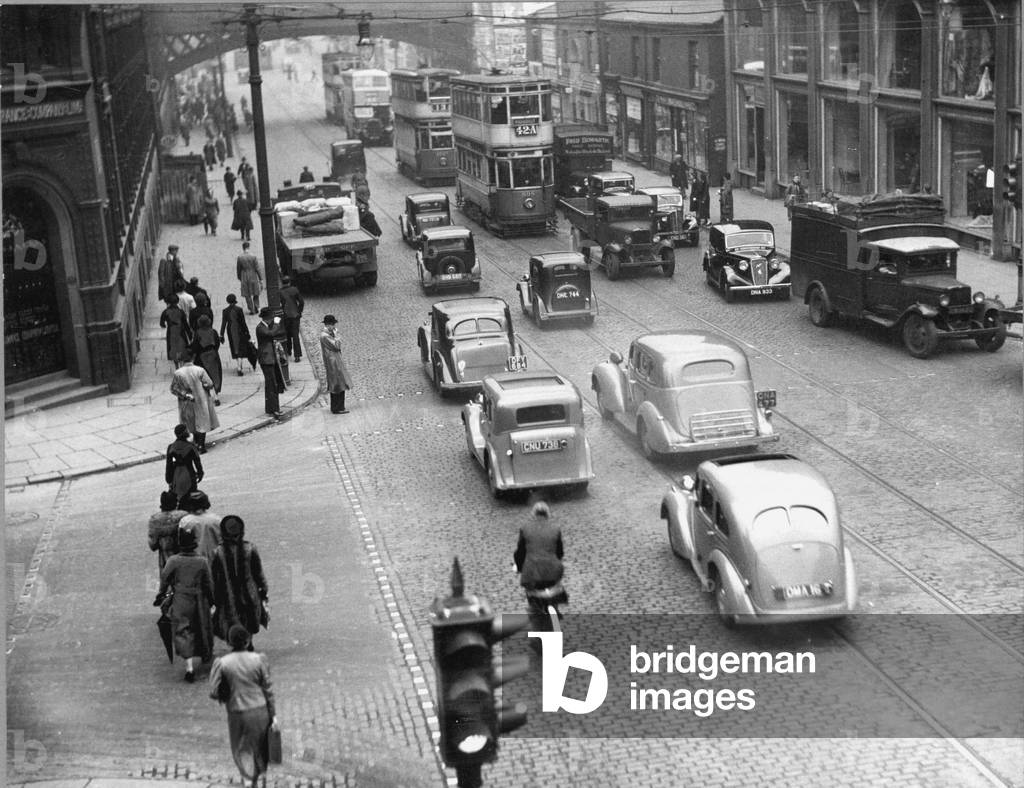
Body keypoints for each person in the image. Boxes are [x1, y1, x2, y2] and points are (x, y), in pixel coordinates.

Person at [209, 624, 276, 788]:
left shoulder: (222, 663)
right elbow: (268, 689)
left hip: (237, 711)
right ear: (247, 641)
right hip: (260, 710)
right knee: (259, 746)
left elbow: (213, 691)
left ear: (229, 642)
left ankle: (247, 780)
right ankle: (255, 780)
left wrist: (225, 694)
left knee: (241, 747)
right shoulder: (259, 660)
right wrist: (273, 714)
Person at [156, 522, 214, 682]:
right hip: (199, 598)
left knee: (183, 631)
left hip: (181, 599)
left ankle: (189, 668)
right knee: (202, 628)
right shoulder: (202, 561)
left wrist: (161, 594)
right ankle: (204, 655)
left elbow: (165, 579)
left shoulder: (174, 561)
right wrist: (211, 599)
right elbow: (208, 583)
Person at [210, 515, 268, 649]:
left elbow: (214, 577)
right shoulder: (250, 548)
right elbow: (258, 573)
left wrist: (213, 598)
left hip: (228, 595)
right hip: (249, 592)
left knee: (233, 618)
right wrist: (263, 590)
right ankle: (249, 642)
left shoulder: (218, 552)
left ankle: (238, 643)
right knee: (249, 617)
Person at [513, 501, 565, 631]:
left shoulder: (525, 528)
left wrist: (519, 567)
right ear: (548, 514)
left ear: (533, 514)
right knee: (556, 592)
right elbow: (560, 552)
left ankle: (536, 622)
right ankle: (555, 612)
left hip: (532, 574)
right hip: (553, 572)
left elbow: (520, 553)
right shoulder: (556, 528)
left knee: (532, 601)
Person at [171, 351, 220, 453]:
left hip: (186, 402)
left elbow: (173, 389)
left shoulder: (178, 373)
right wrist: (205, 387)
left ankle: (195, 442)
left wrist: (184, 394)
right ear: (193, 358)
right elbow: (209, 383)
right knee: (202, 422)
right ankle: (201, 445)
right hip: (201, 400)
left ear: (182, 361)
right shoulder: (200, 370)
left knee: (190, 422)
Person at [179, 490, 221, 570]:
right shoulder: (217, 519)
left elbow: (182, 544)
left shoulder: (186, 521)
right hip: (216, 560)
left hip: (195, 563)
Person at [256, 307, 286, 418]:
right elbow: (271, 334)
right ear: (268, 318)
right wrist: (277, 324)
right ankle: (274, 409)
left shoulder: (264, 326)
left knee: (272, 384)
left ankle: (272, 408)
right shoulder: (261, 328)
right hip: (266, 359)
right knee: (272, 385)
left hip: (270, 358)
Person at [320, 314, 352, 414]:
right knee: (338, 385)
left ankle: (337, 407)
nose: (334, 327)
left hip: (334, 361)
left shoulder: (327, 334)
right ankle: (338, 407)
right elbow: (337, 346)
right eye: (333, 325)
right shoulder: (325, 336)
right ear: (329, 325)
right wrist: (337, 336)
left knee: (337, 384)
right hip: (333, 363)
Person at [149, 490, 186, 572]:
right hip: (185, 560)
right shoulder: (184, 516)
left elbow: (153, 545)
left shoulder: (155, 520)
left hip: (166, 563)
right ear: (176, 503)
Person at [166, 424, 203, 505]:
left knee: (179, 499)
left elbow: (168, 465)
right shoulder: (191, 446)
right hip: (190, 475)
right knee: (192, 498)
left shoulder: (171, 447)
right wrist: (200, 473)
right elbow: (197, 462)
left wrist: (168, 479)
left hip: (176, 477)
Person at [191, 314, 223, 401]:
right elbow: (217, 344)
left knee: (205, 376)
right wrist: (214, 351)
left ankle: (211, 395)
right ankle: (216, 394)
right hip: (213, 354)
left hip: (202, 356)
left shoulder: (197, 333)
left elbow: (195, 346)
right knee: (215, 375)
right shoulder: (213, 331)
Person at [220, 294, 251, 376]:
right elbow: (243, 323)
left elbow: (223, 324)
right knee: (240, 347)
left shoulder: (225, 311)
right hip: (239, 330)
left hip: (230, 331)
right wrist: (247, 332)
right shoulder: (239, 309)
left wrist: (221, 335)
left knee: (234, 347)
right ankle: (239, 366)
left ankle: (238, 365)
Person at [160, 294, 191, 372]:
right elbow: (186, 324)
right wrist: (190, 334)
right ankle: (182, 364)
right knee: (182, 347)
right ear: (177, 302)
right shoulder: (181, 312)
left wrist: (165, 324)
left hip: (171, 332)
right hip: (181, 332)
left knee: (173, 348)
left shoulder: (165, 312)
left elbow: (162, 324)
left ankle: (177, 366)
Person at [278, 276, 304, 362]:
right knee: (295, 335)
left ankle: (288, 351)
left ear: (282, 282)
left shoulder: (280, 292)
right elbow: (301, 302)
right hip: (295, 315)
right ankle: (297, 356)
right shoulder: (294, 290)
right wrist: (299, 312)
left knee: (287, 334)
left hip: (285, 316)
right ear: (289, 282)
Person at [236, 241, 262, 314]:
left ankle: (251, 309)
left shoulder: (240, 257)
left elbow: (238, 269)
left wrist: (239, 277)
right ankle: (256, 306)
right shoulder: (253, 256)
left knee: (247, 294)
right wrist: (260, 278)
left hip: (244, 275)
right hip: (253, 275)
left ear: (243, 248)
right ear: (249, 247)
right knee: (255, 292)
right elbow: (257, 268)